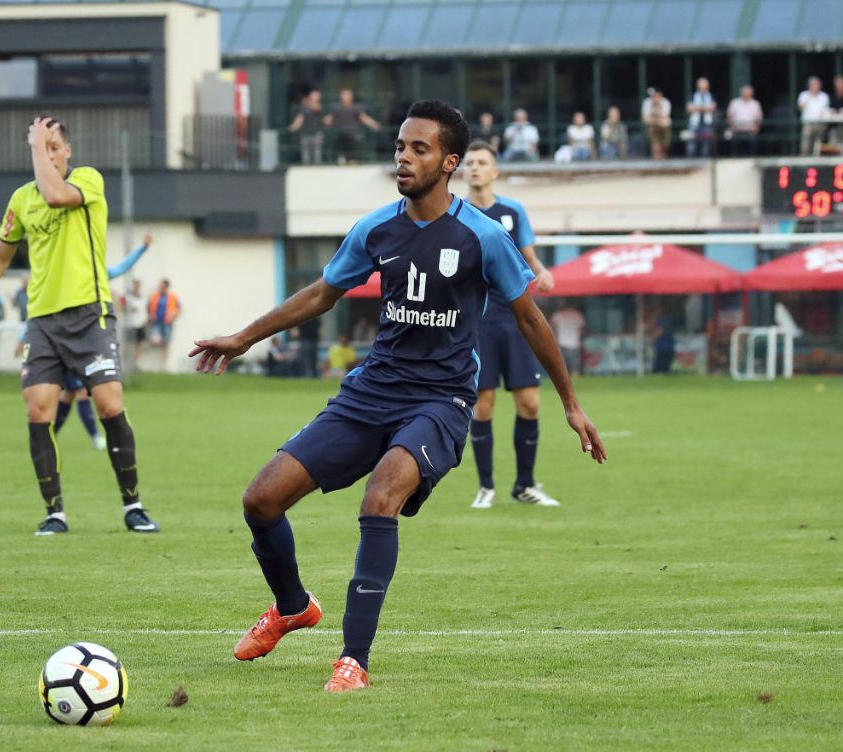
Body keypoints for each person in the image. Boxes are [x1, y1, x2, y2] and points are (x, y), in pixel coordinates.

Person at [189, 100, 605, 693]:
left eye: (419, 149)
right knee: (260, 500)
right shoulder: (375, 228)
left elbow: (531, 318)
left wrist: (570, 403)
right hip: (371, 391)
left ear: (450, 162)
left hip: (441, 400)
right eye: (400, 147)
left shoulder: (484, 236)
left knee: (380, 496)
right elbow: (321, 294)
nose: (403, 158)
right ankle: (292, 607)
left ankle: (352, 660)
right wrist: (243, 338)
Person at [0, 116, 158, 536]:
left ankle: (133, 506)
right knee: (38, 409)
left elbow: (56, 194)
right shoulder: (21, 199)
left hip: (90, 314)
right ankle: (54, 513)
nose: (48, 154)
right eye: (42, 147)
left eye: (54, 147)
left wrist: (35, 147)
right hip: (42, 321)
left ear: (68, 151)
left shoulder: (87, 180)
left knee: (109, 405)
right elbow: (0, 256)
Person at [462, 140, 560, 510]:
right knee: (483, 407)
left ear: (495, 171)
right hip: (477, 321)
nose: (474, 167)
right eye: (470, 162)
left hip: (515, 317)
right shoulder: (456, 212)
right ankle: (486, 487)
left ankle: (525, 485)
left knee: (530, 403)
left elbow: (528, 254)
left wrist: (541, 271)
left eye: (481, 162)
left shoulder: (512, 210)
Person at [52, 231, 155, 450]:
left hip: (89, 341)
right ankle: (94, 437)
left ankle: (51, 436)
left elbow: (123, 267)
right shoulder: (66, 278)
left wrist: (143, 248)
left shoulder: (99, 274)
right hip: (70, 342)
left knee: (71, 394)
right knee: (79, 392)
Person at [324, 90, 381, 164]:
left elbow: (364, 118)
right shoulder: (336, 108)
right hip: (340, 136)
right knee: (340, 155)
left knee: (353, 156)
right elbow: (328, 119)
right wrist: (326, 121)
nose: (345, 98)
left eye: (347, 96)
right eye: (343, 96)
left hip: (353, 136)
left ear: (351, 98)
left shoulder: (356, 108)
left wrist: (374, 124)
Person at [148, 278, 181, 371]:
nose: (161, 288)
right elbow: (149, 307)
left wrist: (173, 318)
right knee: (155, 341)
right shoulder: (155, 295)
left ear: (167, 287)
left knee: (167, 342)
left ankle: (164, 365)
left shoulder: (172, 296)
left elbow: (179, 309)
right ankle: (154, 363)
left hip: (167, 323)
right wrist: (150, 315)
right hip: (156, 323)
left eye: (163, 286)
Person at [288, 89, 325, 165]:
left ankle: (317, 170)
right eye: (312, 99)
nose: (314, 101)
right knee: (306, 155)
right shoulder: (303, 109)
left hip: (316, 134)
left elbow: (317, 109)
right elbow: (299, 119)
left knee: (317, 155)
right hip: (305, 134)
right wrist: (294, 126)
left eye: (317, 100)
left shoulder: (320, 108)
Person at [550, 302, 586, 376]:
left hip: (562, 344)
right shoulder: (578, 315)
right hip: (575, 344)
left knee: (563, 371)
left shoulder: (557, 315)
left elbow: (551, 328)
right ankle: (575, 381)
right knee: (575, 370)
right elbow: (582, 330)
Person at [726, 86, 763, 157]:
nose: (746, 94)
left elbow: (759, 117)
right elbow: (729, 116)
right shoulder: (735, 102)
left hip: (750, 132)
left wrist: (757, 129)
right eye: (745, 93)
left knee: (751, 152)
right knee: (736, 152)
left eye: (748, 93)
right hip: (737, 132)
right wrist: (732, 127)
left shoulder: (755, 103)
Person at [685, 77, 716, 158]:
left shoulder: (711, 96)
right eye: (701, 85)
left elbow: (712, 107)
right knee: (691, 144)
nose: (702, 87)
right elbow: (689, 108)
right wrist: (705, 107)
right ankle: (691, 160)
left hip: (707, 123)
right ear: (697, 86)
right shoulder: (692, 96)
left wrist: (696, 107)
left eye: (704, 85)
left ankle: (705, 160)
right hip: (694, 123)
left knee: (706, 145)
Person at [798, 77, 830, 156]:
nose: (815, 87)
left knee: (818, 143)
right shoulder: (804, 95)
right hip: (808, 123)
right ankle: (804, 158)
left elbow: (826, 110)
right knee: (805, 143)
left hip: (820, 123)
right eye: (813, 85)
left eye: (817, 85)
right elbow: (800, 107)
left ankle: (817, 158)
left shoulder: (824, 96)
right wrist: (810, 96)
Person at [642, 88, 672, 159]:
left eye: (657, 96)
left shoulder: (666, 102)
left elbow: (665, 116)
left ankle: (663, 163)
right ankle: (656, 162)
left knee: (664, 148)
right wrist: (657, 120)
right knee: (656, 148)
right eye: (653, 96)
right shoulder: (647, 102)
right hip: (653, 128)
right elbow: (645, 118)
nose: (655, 98)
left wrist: (652, 119)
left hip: (665, 127)